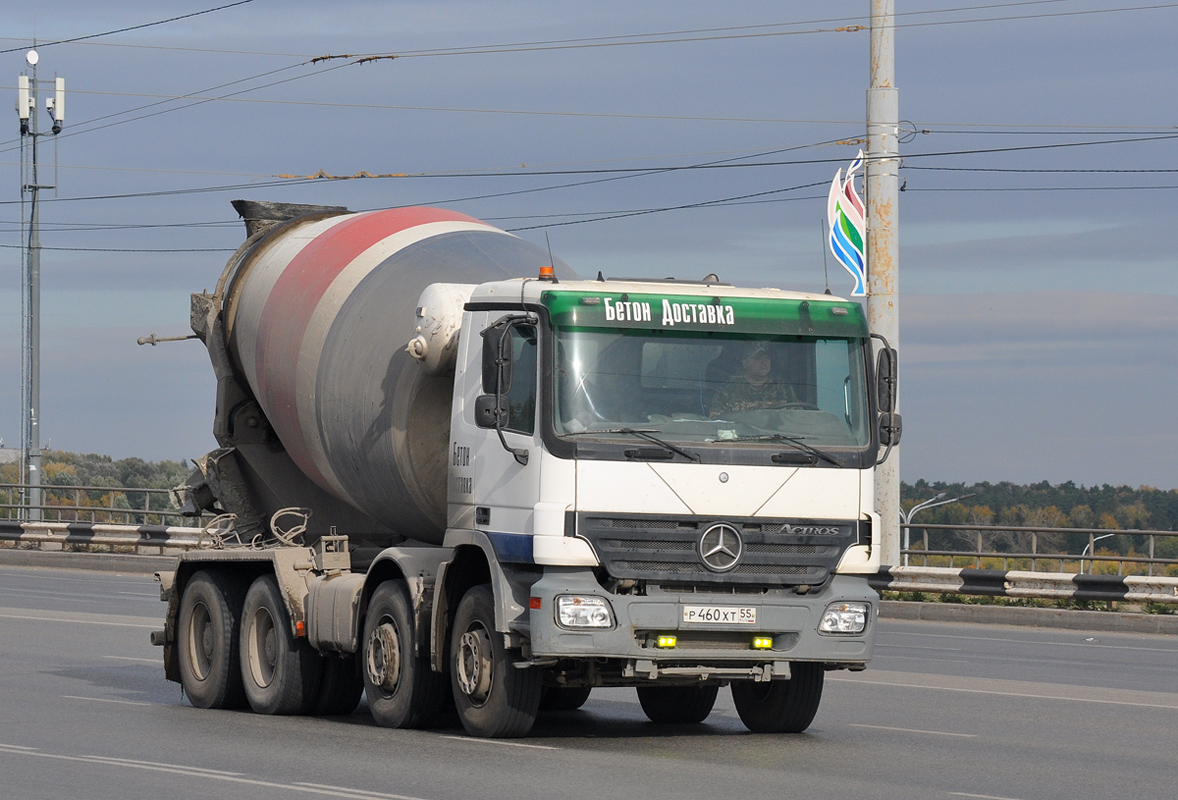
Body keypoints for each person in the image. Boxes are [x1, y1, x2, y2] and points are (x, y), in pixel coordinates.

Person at [709, 342, 796, 417]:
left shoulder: (782, 387)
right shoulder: (729, 389)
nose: (764, 362)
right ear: (745, 362)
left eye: (767, 358)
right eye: (758, 358)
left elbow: (797, 415)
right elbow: (716, 419)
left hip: (778, 434)